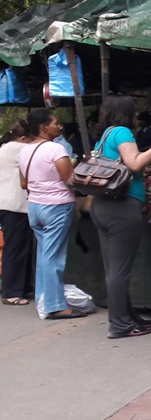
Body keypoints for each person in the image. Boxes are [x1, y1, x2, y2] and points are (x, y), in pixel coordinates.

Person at [91, 95, 151, 339]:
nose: (137, 115)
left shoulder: (105, 135)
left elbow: (127, 166)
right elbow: (134, 163)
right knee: (120, 270)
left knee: (114, 268)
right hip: (120, 207)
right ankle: (119, 324)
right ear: (126, 112)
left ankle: (128, 317)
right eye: (134, 111)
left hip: (102, 205)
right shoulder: (122, 133)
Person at [20, 108, 90, 319]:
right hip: (56, 206)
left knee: (44, 255)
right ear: (44, 127)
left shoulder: (24, 150)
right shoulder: (55, 149)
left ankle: (44, 299)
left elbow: (24, 183)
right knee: (54, 257)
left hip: (35, 207)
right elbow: (70, 179)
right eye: (55, 122)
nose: (58, 126)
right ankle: (55, 305)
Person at [1, 118, 36, 305]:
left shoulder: (6, 147)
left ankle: (22, 288)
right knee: (16, 249)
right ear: (23, 138)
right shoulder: (19, 149)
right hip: (15, 205)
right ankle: (11, 292)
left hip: (10, 204)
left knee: (22, 247)